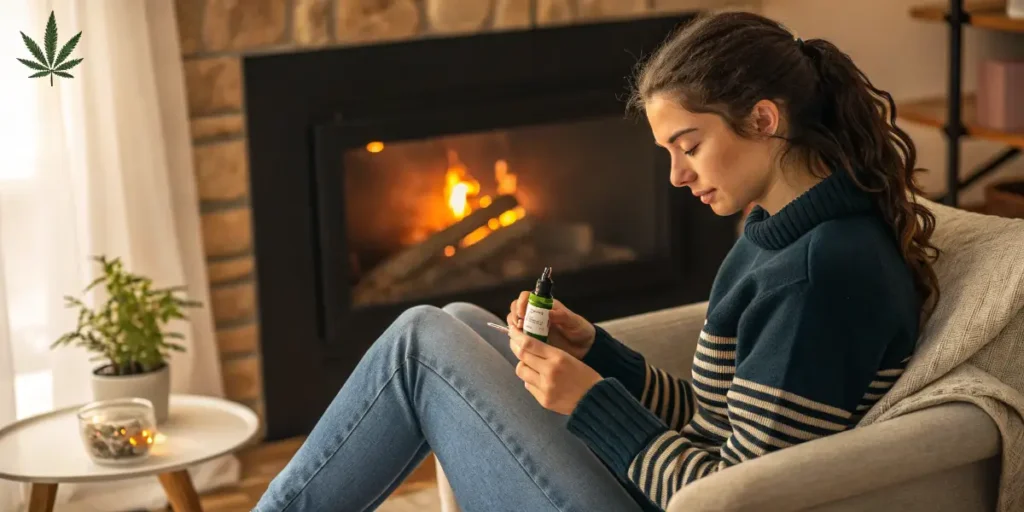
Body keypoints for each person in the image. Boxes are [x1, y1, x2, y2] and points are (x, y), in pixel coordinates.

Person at [253, 10, 940, 512]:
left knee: (420, 343)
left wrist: (588, 401)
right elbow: (717, 421)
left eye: (689, 145)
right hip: (651, 490)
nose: (675, 177)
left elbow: (736, 495)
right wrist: (600, 356)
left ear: (763, 119)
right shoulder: (775, 231)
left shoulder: (820, 275)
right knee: (460, 316)